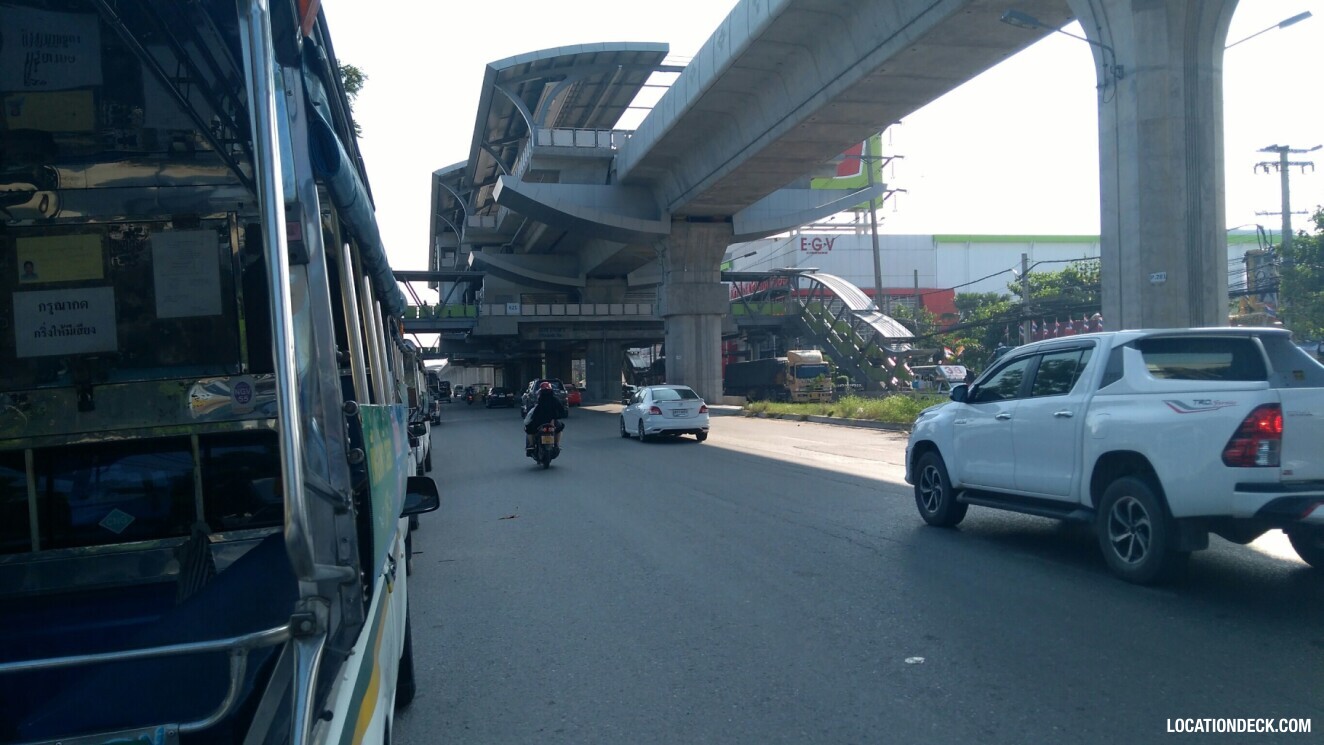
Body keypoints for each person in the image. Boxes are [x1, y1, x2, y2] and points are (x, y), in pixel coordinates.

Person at [523, 381, 568, 454]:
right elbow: (562, 411)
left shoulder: (538, 399)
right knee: (560, 428)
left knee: (529, 428)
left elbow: (533, 411)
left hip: (539, 422)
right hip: (550, 422)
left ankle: (531, 445)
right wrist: (555, 418)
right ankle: (556, 444)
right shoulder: (554, 400)